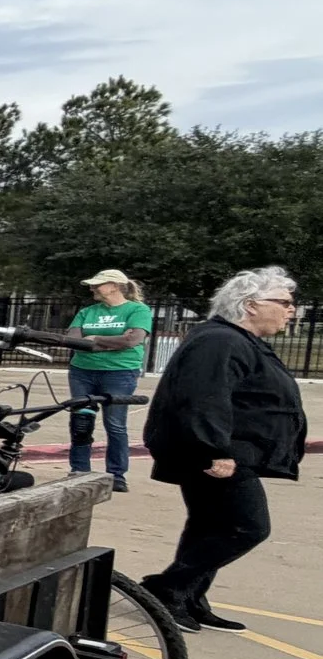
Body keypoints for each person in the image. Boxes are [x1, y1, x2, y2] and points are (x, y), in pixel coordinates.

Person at [141, 267, 305, 634]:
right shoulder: (220, 341)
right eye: (284, 302)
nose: (291, 310)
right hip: (217, 453)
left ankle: (190, 596)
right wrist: (214, 449)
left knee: (210, 526)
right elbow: (203, 398)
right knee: (247, 526)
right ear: (250, 305)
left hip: (230, 451)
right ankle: (166, 589)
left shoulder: (237, 340)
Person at [63, 267, 154, 493]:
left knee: (115, 423)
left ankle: (116, 473)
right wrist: (110, 342)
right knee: (81, 420)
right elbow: (73, 339)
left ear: (114, 286)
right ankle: (79, 469)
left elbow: (133, 339)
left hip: (120, 372)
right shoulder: (87, 312)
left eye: (98, 285)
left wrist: (95, 339)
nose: (93, 288)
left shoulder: (137, 310)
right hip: (82, 370)